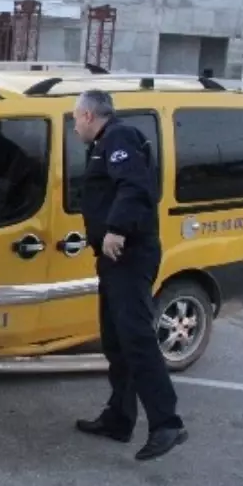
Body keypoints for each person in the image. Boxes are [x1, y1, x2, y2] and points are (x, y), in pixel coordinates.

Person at [71, 89, 187, 461]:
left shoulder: (119, 137)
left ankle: (167, 423)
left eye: (75, 119)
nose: (75, 127)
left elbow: (136, 186)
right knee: (116, 339)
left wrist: (116, 229)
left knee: (135, 337)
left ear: (89, 116)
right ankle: (119, 418)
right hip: (113, 258)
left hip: (129, 254)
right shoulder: (105, 143)